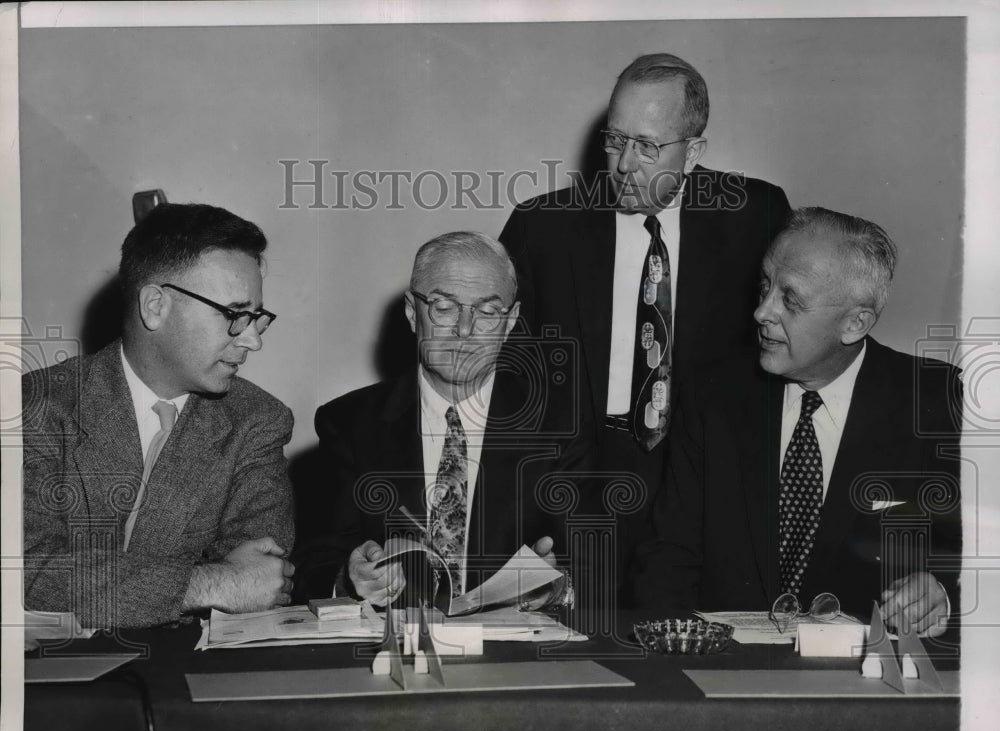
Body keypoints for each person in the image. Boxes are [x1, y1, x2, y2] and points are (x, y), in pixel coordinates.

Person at [499, 53, 791, 599]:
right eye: (615, 140)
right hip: (579, 478)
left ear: (695, 150)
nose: (625, 164)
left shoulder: (756, 215)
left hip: (701, 476)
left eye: (649, 146)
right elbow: (513, 381)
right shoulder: (542, 228)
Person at [632, 207, 962, 637]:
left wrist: (941, 595)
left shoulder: (937, 402)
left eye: (790, 299)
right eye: (765, 286)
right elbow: (668, 558)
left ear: (854, 323)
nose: (761, 312)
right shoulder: (714, 396)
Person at [22, 203, 296, 629]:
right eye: (234, 315)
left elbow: (259, 578)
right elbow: (25, 573)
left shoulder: (257, 421)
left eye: (257, 318)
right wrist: (205, 584)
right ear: (154, 306)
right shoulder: (36, 406)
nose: (253, 341)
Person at [299, 232, 580, 608]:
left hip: (517, 655)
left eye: (487, 311)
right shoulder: (348, 424)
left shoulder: (562, 423)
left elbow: (598, 562)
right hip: (393, 649)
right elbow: (312, 562)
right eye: (444, 307)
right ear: (413, 313)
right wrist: (350, 579)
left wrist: (558, 589)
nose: (464, 330)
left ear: (510, 320)